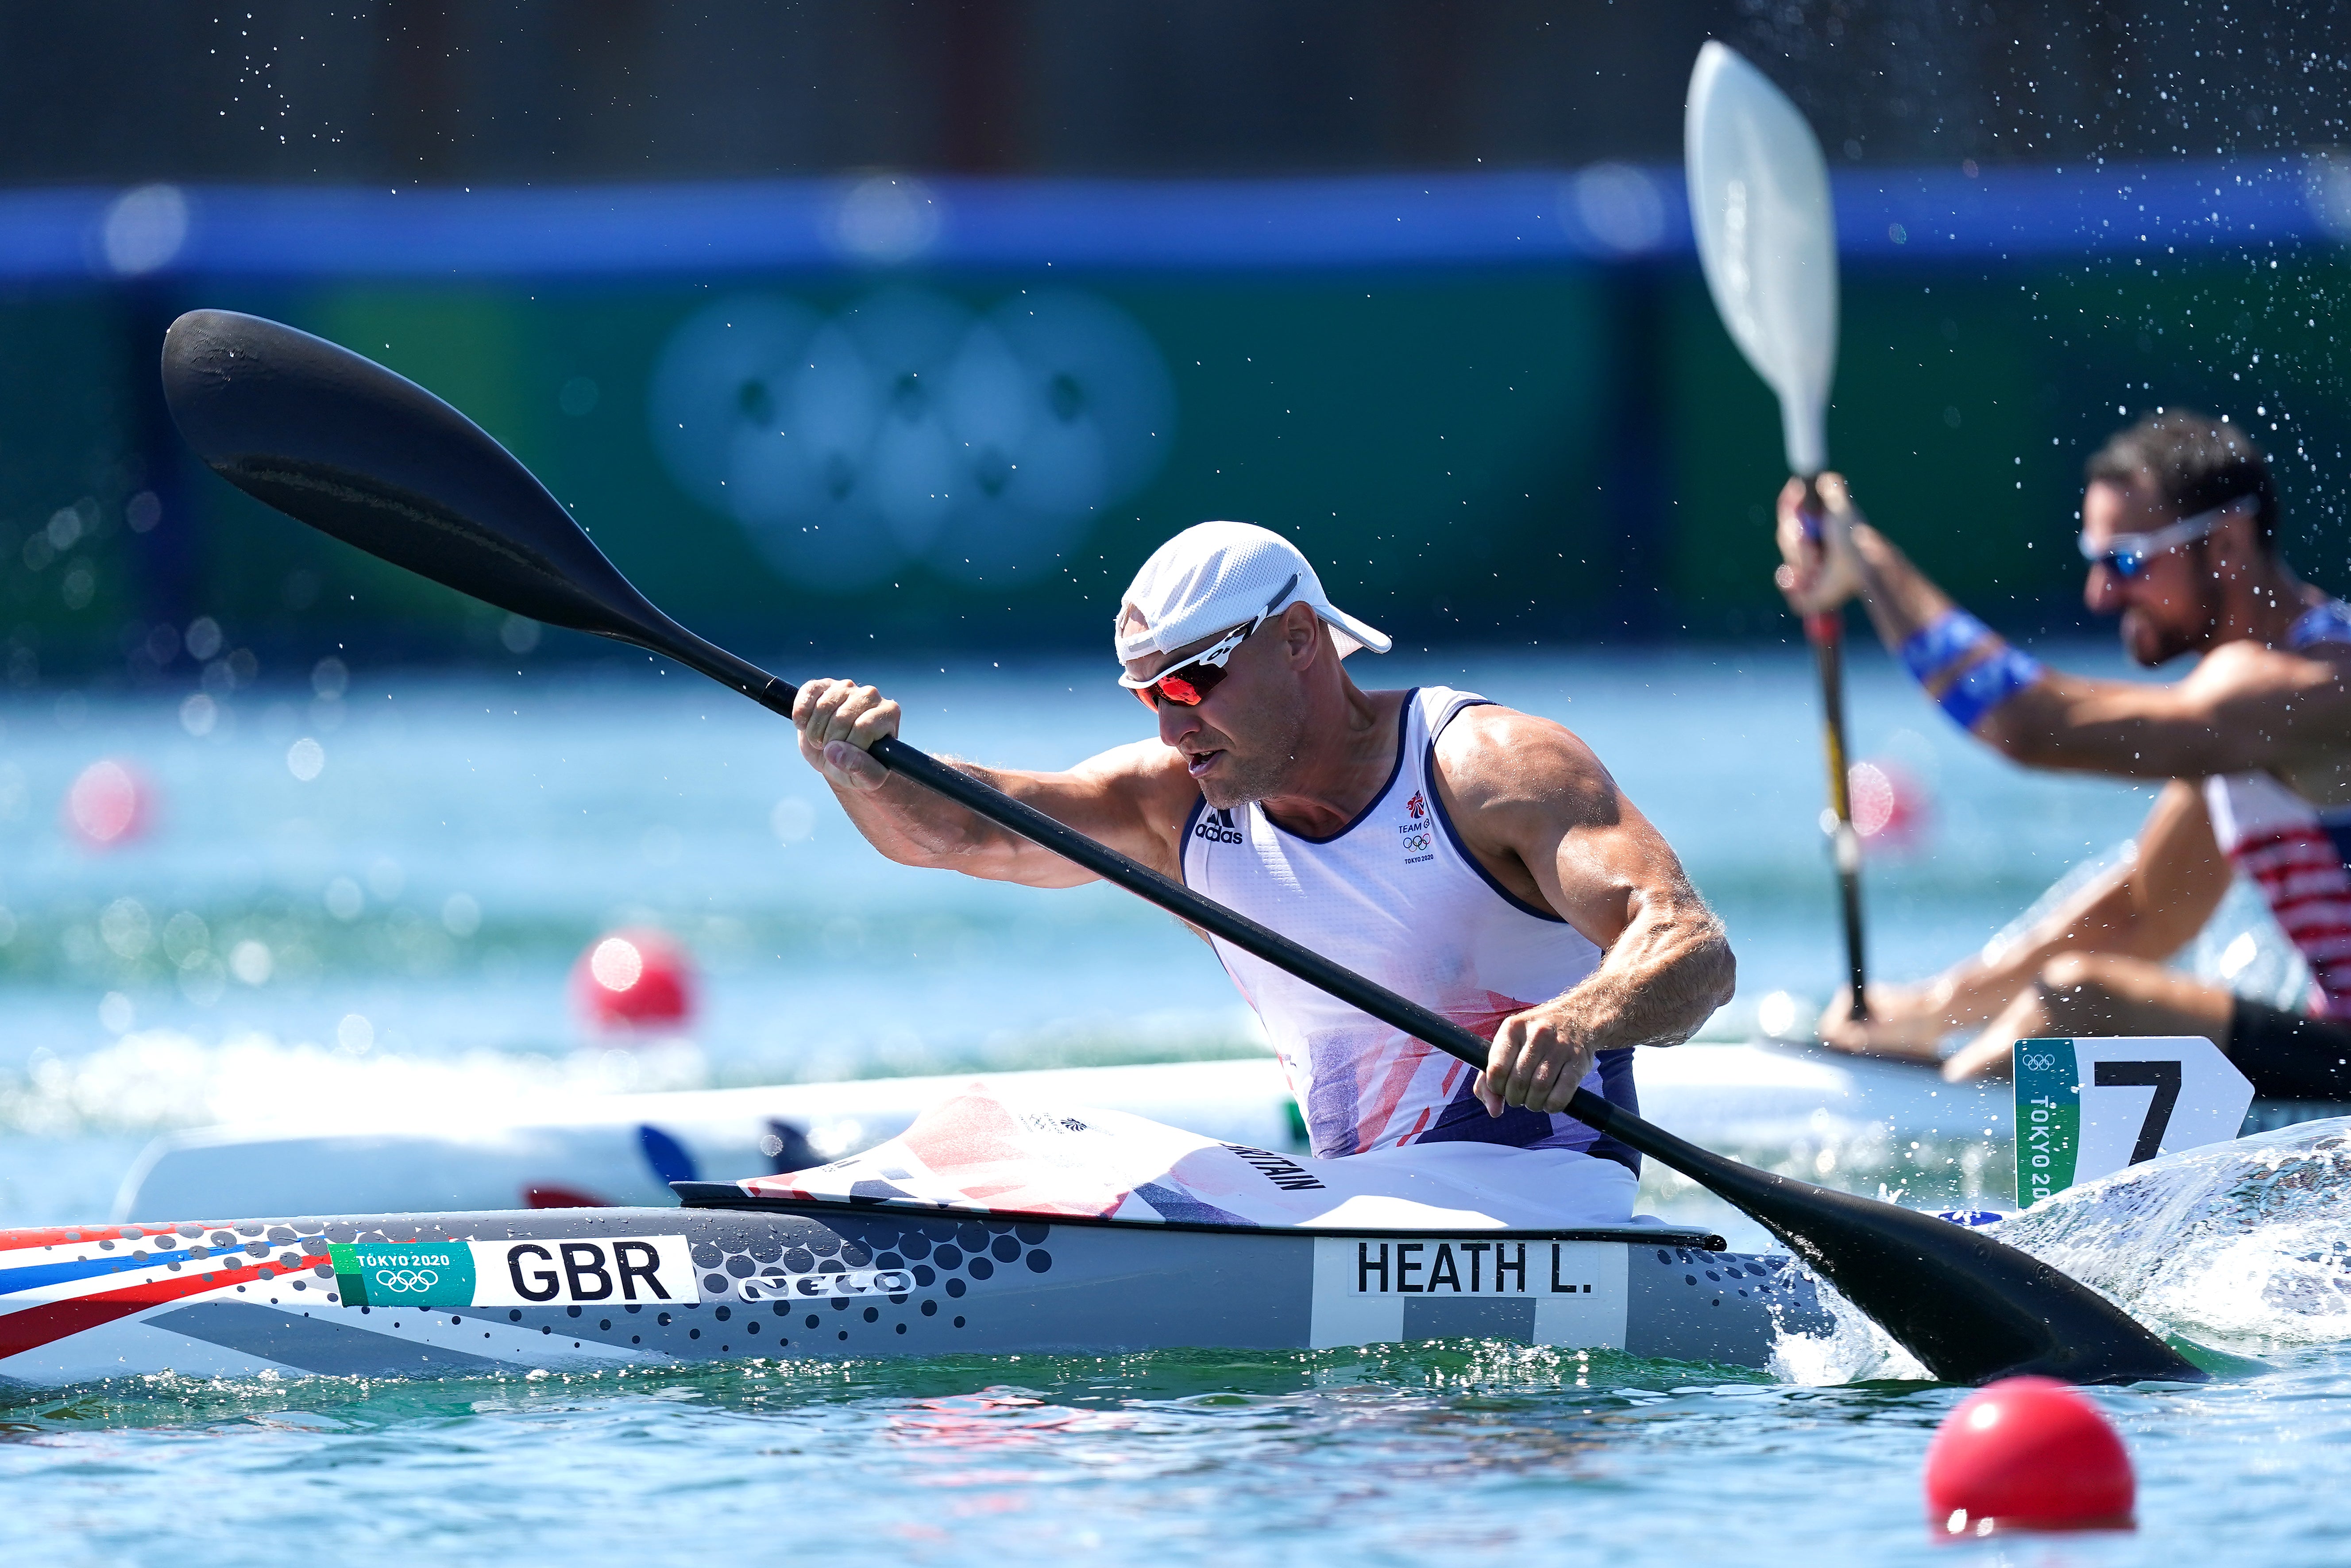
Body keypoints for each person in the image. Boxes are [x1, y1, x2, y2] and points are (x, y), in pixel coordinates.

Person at [791, 520, 1734, 1221]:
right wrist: (862, 763)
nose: (1171, 725)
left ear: (1296, 639)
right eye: (1147, 696)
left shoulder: (1488, 768)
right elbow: (966, 827)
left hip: (1546, 1194)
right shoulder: (1177, 805)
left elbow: (1693, 949)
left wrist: (1580, 1018)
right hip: (1355, 1199)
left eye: (1190, 684)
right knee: (999, 1120)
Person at [1773, 411, 2351, 1099]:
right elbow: (2144, 912)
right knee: (2077, 994)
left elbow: (2034, 726)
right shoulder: (2242, 725)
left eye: (2127, 561)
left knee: (2079, 1001)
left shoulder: (2315, 688)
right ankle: (1941, 1106)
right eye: (2096, 561)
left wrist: (1866, 561)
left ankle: (1919, 1140)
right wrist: (1930, 1012)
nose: (2101, 594)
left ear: (2225, 543)